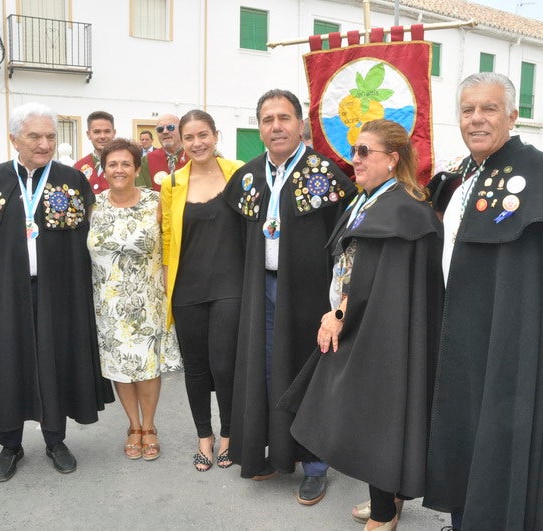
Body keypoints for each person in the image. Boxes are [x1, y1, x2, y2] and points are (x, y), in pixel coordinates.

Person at [424, 72, 543, 529]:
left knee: (504, 436)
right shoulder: (467, 175)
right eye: (467, 110)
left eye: (489, 108)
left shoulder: (539, 177)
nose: (476, 119)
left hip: (512, 344)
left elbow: (536, 284)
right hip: (465, 333)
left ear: (512, 115)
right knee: (467, 433)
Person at [281, 119, 442, 530]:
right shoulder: (369, 201)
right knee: (377, 414)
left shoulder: (403, 209)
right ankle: (390, 500)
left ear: (392, 159)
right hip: (367, 323)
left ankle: (385, 514)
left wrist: (338, 315)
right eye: (354, 150)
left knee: (376, 416)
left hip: (381, 331)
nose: (355, 159)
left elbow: (381, 279)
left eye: (365, 152)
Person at [0, 102, 114, 482]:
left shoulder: (71, 181)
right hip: (4, 293)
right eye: (34, 136)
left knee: (54, 363)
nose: (44, 144)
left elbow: (84, 242)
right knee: (6, 362)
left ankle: (55, 439)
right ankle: (10, 444)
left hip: (58, 292)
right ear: (14, 139)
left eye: (50, 136)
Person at [222, 89, 356, 505]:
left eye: (284, 118)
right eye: (268, 119)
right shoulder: (247, 177)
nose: (276, 126)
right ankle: (274, 452)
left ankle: (314, 466)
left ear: (301, 124)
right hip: (260, 289)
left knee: (308, 375)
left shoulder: (326, 176)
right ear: (259, 127)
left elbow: (349, 245)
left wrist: (342, 301)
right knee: (266, 371)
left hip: (311, 294)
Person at [160, 110, 244, 471]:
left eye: (203, 135)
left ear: (215, 135)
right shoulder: (172, 184)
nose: (197, 143)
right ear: (181, 141)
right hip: (187, 287)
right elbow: (167, 238)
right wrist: (168, 288)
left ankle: (229, 437)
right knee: (195, 368)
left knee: (224, 365)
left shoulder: (239, 173)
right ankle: (203, 439)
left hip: (230, 284)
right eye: (190, 137)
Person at [88, 138, 177, 461]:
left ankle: (149, 425)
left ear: (137, 169)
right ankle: (133, 426)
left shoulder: (156, 202)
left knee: (147, 366)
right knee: (120, 366)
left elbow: (173, 244)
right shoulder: (92, 206)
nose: (119, 169)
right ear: (104, 169)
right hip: (107, 302)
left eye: (126, 163)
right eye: (112, 164)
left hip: (147, 299)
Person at [137, 114, 188, 192]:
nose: (165, 132)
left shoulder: (192, 157)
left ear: (181, 129)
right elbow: (143, 194)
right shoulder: (146, 161)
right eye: (160, 129)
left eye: (170, 127)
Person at [73, 111, 116, 194]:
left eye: (107, 131)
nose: (102, 136)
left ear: (114, 133)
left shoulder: (128, 164)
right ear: (88, 134)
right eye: (97, 132)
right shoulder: (78, 168)